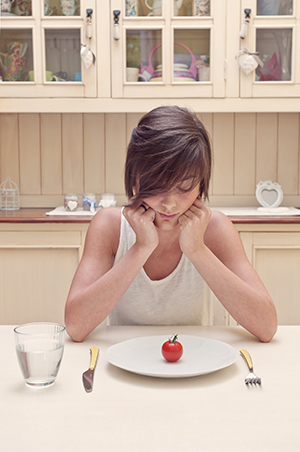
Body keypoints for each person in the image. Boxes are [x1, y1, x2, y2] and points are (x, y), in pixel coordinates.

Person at [65, 106, 277, 342]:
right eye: (157, 187)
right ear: (134, 179)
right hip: (126, 357)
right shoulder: (110, 227)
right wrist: (141, 248)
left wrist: (197, 250)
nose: (170, 204)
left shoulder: (215, 228)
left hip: (195, 358)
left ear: (201, 184)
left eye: (184, 188)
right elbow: (75, 326)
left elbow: (266, 327)